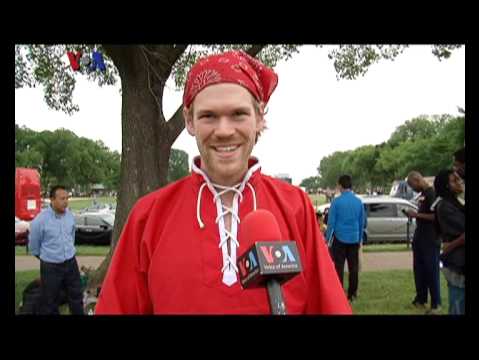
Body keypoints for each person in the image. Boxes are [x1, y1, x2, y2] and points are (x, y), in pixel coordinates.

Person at [95, 50, 351, 315]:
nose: (224, 130)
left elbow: (329, 305)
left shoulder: (295, 206)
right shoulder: (147, 216)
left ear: (259, 118)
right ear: (189, 121)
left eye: (238, 114)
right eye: (209, 116)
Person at [28, 185, 84, 315]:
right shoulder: (40, 221)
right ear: (52, 200)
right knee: (50, 301)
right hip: (51, 267)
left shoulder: (69, 216)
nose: (66, 201)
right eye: (62, 198)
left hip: (70, 263)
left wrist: (69, 251)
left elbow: (71, 236)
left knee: (76, 295)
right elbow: (34, 246)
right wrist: (48, 257)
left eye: (67, 198)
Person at [325, 175, 366, 302]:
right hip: (354, 238)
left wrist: (327, 239)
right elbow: (362, 222)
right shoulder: (358, 202)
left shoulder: (336, 202)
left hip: (339, 238)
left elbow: (331, 223)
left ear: (340, 186)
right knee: (353, 268)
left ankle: (339, 293)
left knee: (339, 266)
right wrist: (359, 239)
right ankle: (352, 294)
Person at [406, 171, 441, 314]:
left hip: (430, 238)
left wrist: (416, 214)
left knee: (431, 270)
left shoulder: (432, 194)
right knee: (419, 270)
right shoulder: (423, 195)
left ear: (417, 180)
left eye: (412, 185)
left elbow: (435, 216)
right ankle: (421, 298)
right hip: (420, 237)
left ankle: (436, 303)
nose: (413, 189)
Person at [434, 169, 465, 314]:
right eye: (455, 180)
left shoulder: (458, 201)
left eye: (459, 179)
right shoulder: (445, 206)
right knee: (458, 304)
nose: (460, 182)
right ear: (446, 186)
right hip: (457, 262)